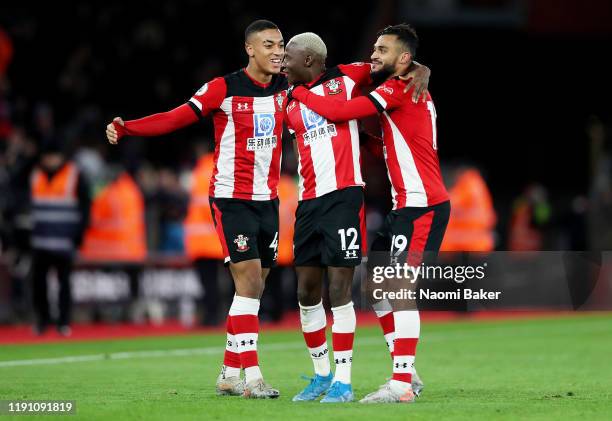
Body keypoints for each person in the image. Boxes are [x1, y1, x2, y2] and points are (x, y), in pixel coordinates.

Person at [105, 20, 286, 399]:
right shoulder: (223, 87)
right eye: (268, 44)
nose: (276, 51)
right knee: (250, 283)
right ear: (249, 49)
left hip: (268, 200)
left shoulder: (288, 87)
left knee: (253, 289)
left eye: (280, 44)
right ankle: (252, 379)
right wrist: (129, 128)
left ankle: (226, 372)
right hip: (231, 198)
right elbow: (176, 116)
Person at [289, 24, 450, 403]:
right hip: (405, 206)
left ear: (404, 59)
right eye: (373, 48)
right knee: (375, 286)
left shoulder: (396, 88)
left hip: (422, 204)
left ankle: (401, 385)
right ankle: (406, 368)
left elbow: (341, 110)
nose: (374, 54)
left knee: (398, 288)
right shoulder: (410, 83)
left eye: (382, 49)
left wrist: (298, 92)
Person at [30, 140, 90, 336]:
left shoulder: (74, 174)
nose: (50, 161)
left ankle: (63, 321)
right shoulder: (35, 174)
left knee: (64, 283)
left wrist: (79, 236)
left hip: (64, 240)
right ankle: (43, 320)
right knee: (39, 284)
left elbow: (85, 207)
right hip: (40, 240)